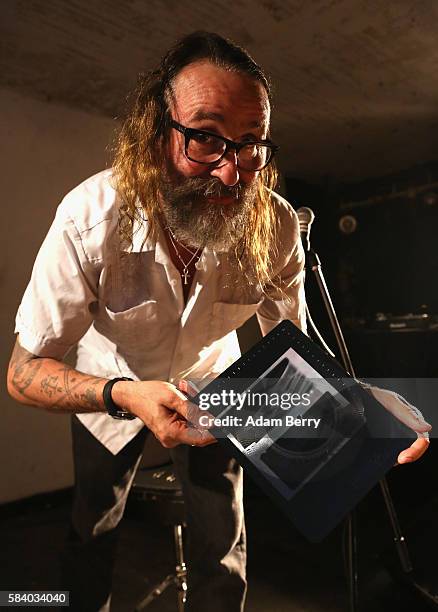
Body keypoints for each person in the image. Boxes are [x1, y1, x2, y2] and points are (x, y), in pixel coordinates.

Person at [6, 31, 429, 612]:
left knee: (223, 535)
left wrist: (358, 400)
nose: (233, 174)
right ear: (158, 135)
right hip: (112, 380)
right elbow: (23, 373)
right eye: (205, 137)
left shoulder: (275, 225)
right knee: (93, 527)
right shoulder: (89, 217)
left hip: (218, 385)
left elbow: (293, 345)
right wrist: (126, 394)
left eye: (251, 144)